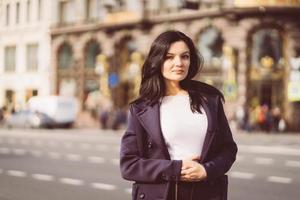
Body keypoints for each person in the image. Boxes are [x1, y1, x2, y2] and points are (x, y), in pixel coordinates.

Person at [120, 30, 238, 200]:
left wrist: (206, 170)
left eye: (185, 56)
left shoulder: (210, 99)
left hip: (207, 192)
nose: (179, 63)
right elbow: (129, 164)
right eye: (169, 57)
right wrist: (175, 169)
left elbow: (228, 149)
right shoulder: (141, 108)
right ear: (157, 60)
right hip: (160, 194)